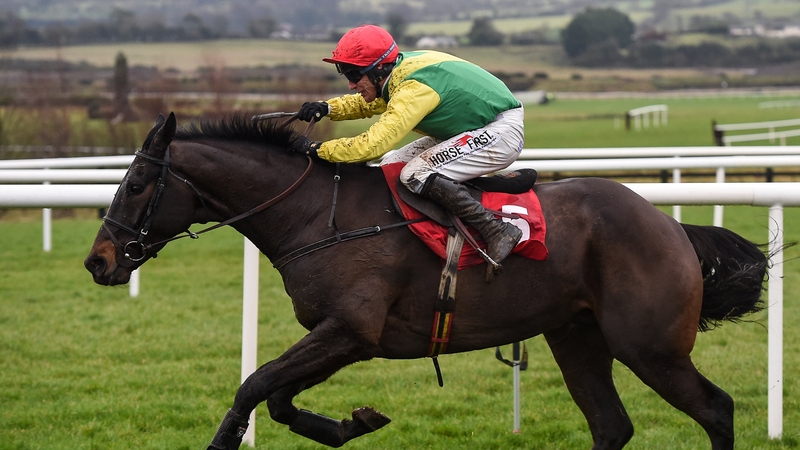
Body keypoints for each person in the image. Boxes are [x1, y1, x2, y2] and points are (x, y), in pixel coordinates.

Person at [290, 24, 525, 269]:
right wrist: (327, 108)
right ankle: (492, 186)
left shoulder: (414, 87)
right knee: (392, 165)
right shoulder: (397, 71)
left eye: (353, 74)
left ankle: (495, 229)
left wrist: (316, 149)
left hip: (499, 131)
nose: (350, 84)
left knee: (414, 173)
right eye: (346, 74)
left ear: (379, 68)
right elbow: (372, 102)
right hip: (471, 129)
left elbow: (373, 145)